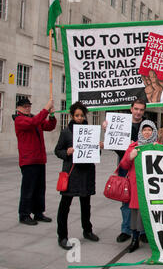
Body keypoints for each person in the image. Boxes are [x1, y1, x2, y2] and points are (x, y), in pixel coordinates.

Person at [54, 102, 102, 250]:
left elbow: (95, 154)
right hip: (72, 173)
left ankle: (87, 230)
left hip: (86, 173)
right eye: (77, 115)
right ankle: (62, 236)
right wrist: (66, 152)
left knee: (86, 204)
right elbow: (58, 151)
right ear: (72, 116)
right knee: (65, 205)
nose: (80, 118)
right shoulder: (66, 132)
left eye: (82, 115)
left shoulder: (90, 131)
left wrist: (98, 148)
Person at [102, 99, 148, 243]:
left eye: (141, 109)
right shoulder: (121, 122)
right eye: (136, 109)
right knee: (125, 197)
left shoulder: (147, 125)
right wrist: (107, 130)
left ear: (144, 111)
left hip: (142, 166)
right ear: (131, 109)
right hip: (125, 163)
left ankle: (142, 231)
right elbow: (114, 143)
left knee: (143, 199)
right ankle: (126, 230)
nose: (138, 112)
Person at [13, 97, 57, 226]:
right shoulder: (19, 120)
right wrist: (46, 109)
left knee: (39, 188)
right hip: (28, 160)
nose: (27, 108)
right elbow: (34, 123)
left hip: (39, 159)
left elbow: (49, 126)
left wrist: (52, 116)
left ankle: (38, 213)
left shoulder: (33, 118)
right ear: (18, 108)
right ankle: (24, 214)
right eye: (24, 106)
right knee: (28, 189)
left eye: (28, 106)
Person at [119, 120, 158, 252]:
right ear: (140, 132)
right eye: (144, 130)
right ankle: (135, 239)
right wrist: (130, 156)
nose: (147, 132)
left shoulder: (157, 146)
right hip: (137, 186)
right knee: (136, 213)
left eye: (150, 130)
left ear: (154, 132)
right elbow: (124, 165)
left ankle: (150, 237)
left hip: (153, 186)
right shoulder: (133, 147)